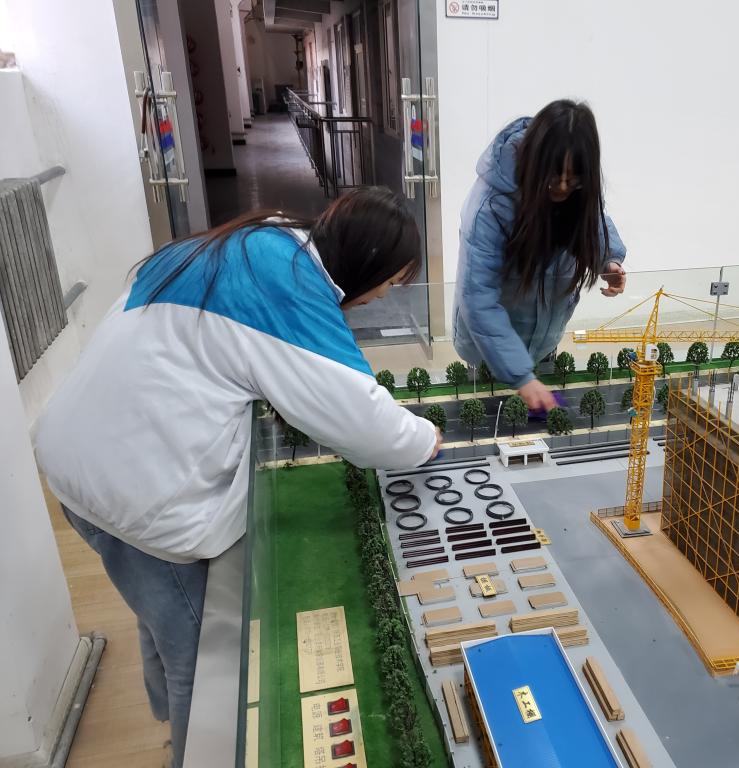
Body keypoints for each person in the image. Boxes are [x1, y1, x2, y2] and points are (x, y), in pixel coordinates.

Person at [34, 187, 441, 768]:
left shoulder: (262, 240)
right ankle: (187, 746)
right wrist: (425, 439)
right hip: (135, 490)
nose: (383, 296)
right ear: (367, 261)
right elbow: (362, 422)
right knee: (204, 671)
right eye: (390, 282)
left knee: (157, 619)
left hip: (84, 457)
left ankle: (165, 723)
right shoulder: (290, 288)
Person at [452, 99, 627, 412]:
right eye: (554, 179)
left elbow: (591, 220)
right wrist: (521, 376)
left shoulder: (577, 193)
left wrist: (609, 260)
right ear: (534, 162)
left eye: (573, 181)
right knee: (487, 419)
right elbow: (478, 299)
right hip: (489, 351)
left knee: (538, 422)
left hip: (544, 339)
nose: (562, 189)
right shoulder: (489, 206)